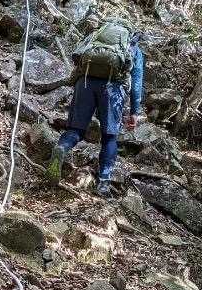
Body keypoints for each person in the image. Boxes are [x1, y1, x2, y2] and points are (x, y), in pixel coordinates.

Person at [46, 20, 144, 196]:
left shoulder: (96, 37)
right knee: (109, 137)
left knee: (75, 130)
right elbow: (136, 83)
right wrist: (134, 112)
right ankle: (104, 183)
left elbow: (77, 56)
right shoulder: (132, 45)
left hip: (85, 83)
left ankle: (62, 148)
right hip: (113, 88)